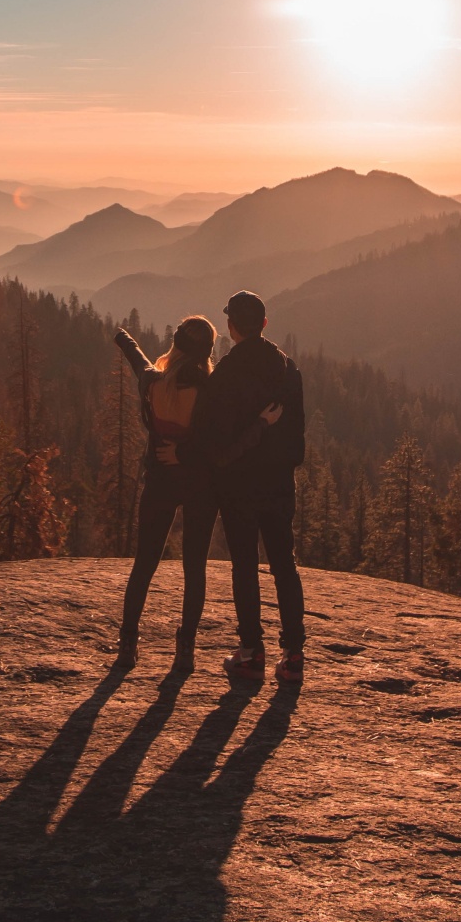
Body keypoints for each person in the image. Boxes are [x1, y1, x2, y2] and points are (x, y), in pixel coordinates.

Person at [194, 290, 307, 688]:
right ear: (263, 324)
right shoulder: (287, 370)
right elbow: (298, 441)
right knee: (284, 566)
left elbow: (216, 447)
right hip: (278, 485)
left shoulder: (224, 376)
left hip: (239, 488)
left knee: (245, 567)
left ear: (231, 327)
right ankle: (294, 656)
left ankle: (250, 653)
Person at [111, 316, 219, 672]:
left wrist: (123, 338)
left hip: (161, 480)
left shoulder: (154, 383)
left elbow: (138, 361)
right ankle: (185, 649)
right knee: (195, 569)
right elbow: (217, 439)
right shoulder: (211, 391)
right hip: (201, 485)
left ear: (176, 347)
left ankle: (128, 643)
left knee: (144, 564)